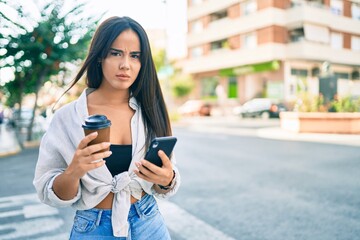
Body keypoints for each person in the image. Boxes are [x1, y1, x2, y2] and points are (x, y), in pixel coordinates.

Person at [33, 16, 180, 239]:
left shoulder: (150, 110)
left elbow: (167, 179)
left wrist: (166, 179)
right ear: (100, 56)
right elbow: (48, 191)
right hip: (93, 228)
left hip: (149, 222)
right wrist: (74, 171)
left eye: (135, 56)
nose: (125, 64)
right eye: (116, 53)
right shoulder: (67, 118)